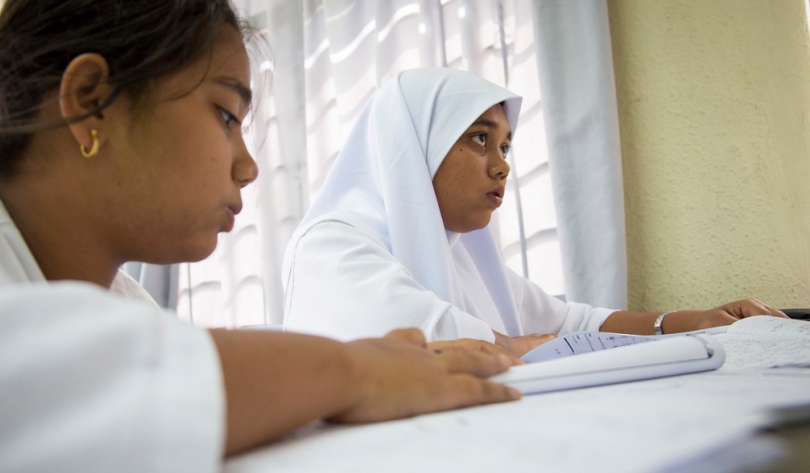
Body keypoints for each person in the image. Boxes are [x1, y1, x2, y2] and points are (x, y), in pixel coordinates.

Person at [0, 1, 524, 473]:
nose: (249, 165)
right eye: (226, 115)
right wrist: (345, 368)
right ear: (90, 104)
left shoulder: (122, 302)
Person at [281, 67, 786, 356]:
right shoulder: (331, 243)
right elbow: (421, 335)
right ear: (414, 146)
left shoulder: (464, 258)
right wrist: (515, 345)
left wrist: (688, 321)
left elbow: (571, 320)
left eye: (506, 147)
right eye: (480, 139)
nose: (501, 167)